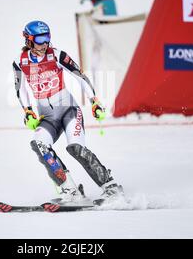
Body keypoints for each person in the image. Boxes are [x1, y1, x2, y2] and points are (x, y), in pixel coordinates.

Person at [12, 20, 123, 205]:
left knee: (76, 149)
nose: (44, 43)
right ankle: (70, 191)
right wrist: (28, 110)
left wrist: (93, 101)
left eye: (47, 38)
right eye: (40, 39)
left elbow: (80, 76)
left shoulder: (56, 55)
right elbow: (20, 89)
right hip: (48, 117)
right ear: (29, 40)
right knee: (39, 145)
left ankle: (110, 186)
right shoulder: (19, 62)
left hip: (69, 111)